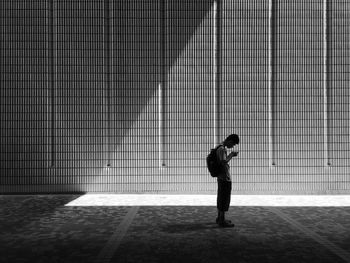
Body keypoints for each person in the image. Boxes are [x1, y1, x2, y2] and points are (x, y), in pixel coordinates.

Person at [216, 134, 239, 227]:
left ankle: (220, 218)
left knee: (221, 197)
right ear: (229, 140)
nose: (232, 146)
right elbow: (223, 162)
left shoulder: (219, 147)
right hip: (224, 177)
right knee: (224, 199)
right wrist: (231, 155)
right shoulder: (222, 149)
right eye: (233, 144)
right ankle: (222, 220)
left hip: (221, 177)